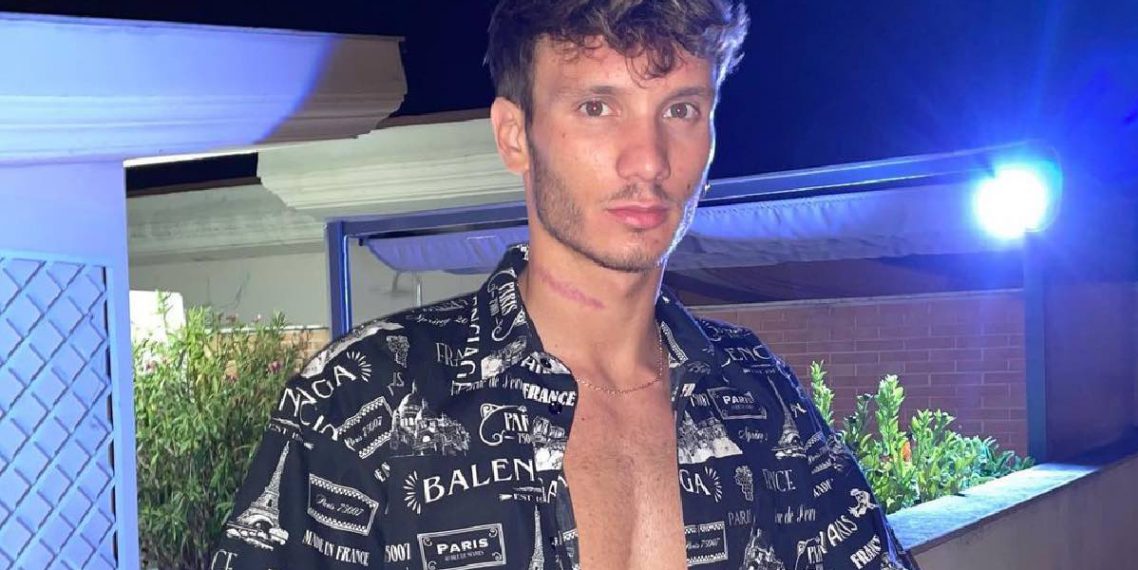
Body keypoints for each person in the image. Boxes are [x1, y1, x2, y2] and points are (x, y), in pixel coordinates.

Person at [210, 1, 918, 569]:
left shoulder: (760, 397)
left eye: (680, 110)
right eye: (596, 107)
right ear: (514, 135)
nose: (648, 160)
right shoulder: (365, 396)